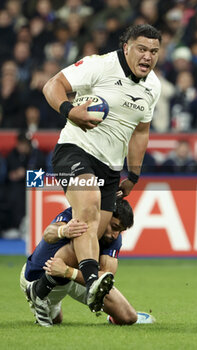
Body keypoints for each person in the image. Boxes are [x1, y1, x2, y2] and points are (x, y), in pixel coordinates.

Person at [42, 24, 162, 313]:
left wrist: (133, 174)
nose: (148, 57)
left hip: (111, 168)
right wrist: (69, 111)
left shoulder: (153, 86)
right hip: (75, 150)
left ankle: (40, 286)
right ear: (126, 48)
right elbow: (52, 85)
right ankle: (93, 279)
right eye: (142, 49)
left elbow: (141, 132)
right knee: (90, 201)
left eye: (154, 52)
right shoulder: (99, 65)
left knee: (91, 233)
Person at [20, 199, 155, 326]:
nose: (115, 235)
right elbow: (48, 234)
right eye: (114, 227)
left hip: (69, 273)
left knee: (128, 317)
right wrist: (64, 230)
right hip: (40, 275)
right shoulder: (78, 216)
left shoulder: (113, 238)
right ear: (105, 215)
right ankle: (39, 293)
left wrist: (69, 272)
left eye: (120, 230)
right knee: (80, 234)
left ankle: (56, 304)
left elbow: (105, 276)